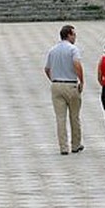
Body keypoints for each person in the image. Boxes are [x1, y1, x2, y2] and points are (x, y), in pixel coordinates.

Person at [43, 24, 84, 155]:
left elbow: (47, 69)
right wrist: (81, 80)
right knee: (74, 116)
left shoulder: (52, 50)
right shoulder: (73, 49)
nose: (75, 37)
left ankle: (63, 147)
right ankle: (75, 144)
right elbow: (77, 64)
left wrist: (53, 79)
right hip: (71, 84)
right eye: (74, 35)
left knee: (60, 118)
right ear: (69, 35)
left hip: (56, 85)